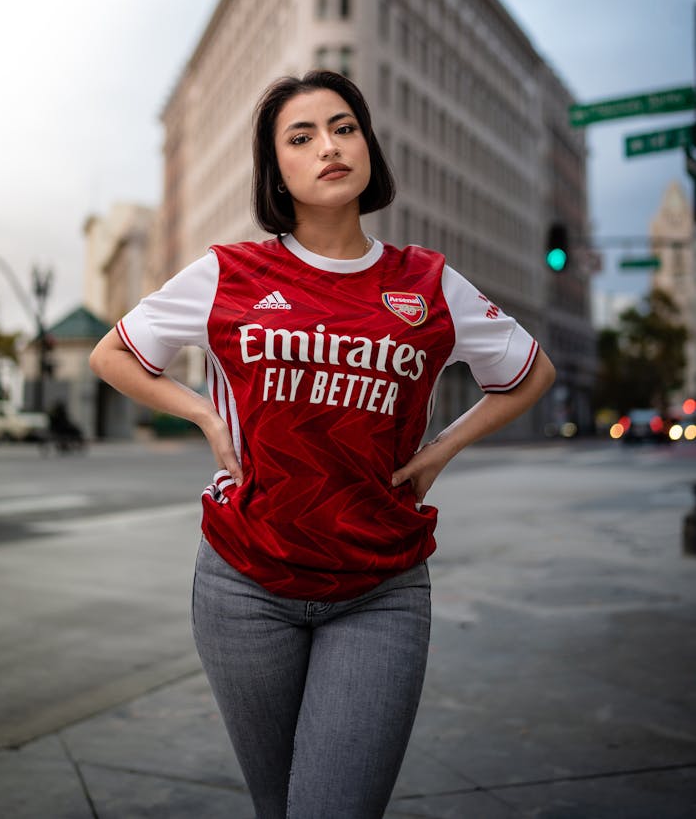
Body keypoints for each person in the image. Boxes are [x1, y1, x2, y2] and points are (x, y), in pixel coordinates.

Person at [89, 69, 555, 819]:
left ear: (368, 144)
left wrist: (438, 452)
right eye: (300, 137)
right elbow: (112, 353)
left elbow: (529, 374)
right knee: (278, 806)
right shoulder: (231, 273)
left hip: (380, 586)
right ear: (277, 171)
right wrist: (206, 415)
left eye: (344, 127)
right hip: (245, 583)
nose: (329, 146)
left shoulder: (429, 283)